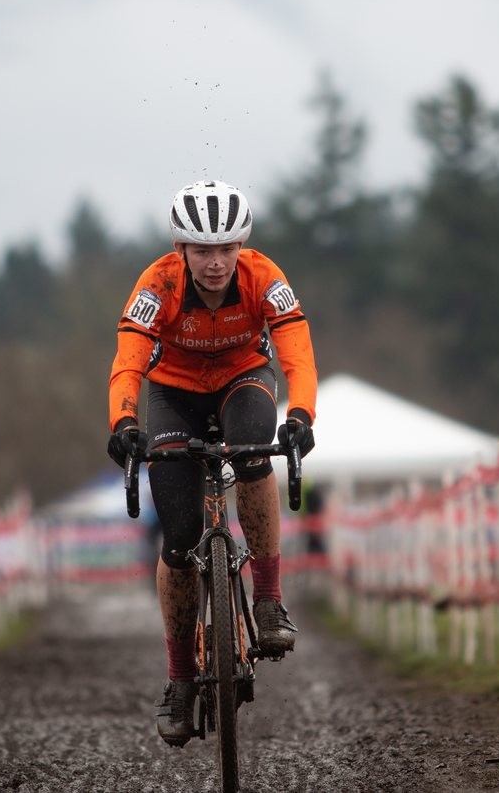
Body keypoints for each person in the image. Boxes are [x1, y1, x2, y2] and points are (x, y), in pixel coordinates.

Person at [106, 179, 317, 747]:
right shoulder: (157, 285)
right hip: (174, 393)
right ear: (182, 250)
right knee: (177, 540)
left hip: (243, 381)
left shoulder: (263, 277)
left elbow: (296, 350)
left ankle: (269, 601)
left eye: (226, 248)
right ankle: (178, 679)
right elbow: (128, 360)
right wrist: (124, 422)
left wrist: (301, 414)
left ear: (241, 245)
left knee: (255, 451)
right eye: (203, 250)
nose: (216, 262)